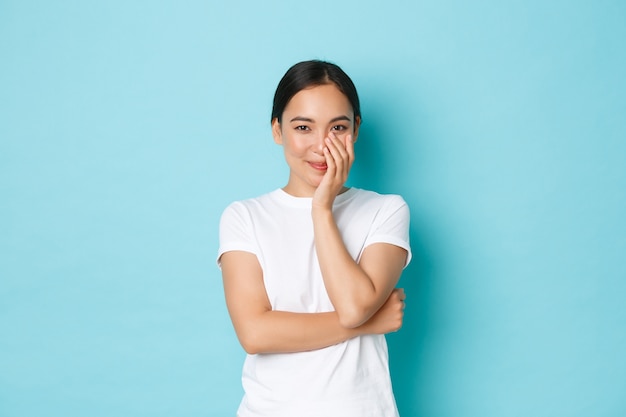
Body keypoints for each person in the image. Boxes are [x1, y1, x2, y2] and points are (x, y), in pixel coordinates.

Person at [217, 60, 411, 417]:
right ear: (277, 130)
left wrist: (322, 208)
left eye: (338, 127)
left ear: (356, 129)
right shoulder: (244, 217)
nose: (322, 146)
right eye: (303, 127)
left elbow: (354, 306)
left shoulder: (386, 211)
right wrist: (371, 323)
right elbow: (255, 333)